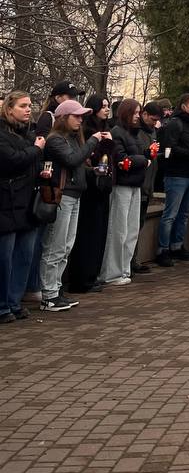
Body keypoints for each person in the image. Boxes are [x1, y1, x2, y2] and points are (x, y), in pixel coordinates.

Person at [39, 99, 98, 311]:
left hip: (75, 195)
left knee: (66, 246)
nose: (80, 120)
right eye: (77, 116)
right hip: (61, 196)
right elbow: (72, 160)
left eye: (82, 117)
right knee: (54, 246)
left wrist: (94, 171)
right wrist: (92, 142)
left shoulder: (73, 139)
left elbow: (77, 165)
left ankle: (57, 289)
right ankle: (49, 294)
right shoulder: (55, 140)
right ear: (64, 117)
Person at [0, 90, 45, 323]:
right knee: (4, 259)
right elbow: (12, 160)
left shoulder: (28, 134)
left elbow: (30, 162)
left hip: (27, 204)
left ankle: (14, 302)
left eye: (29, 105)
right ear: (9, 109)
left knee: (24, 257)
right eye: (22, 106)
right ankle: (2, 306)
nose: (28, 109)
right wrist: (36, 149)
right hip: (6, 203)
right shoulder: (2, 134)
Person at [99, 98, 150, 285]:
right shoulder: (117, 132)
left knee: (132, 230)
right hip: (122, 185)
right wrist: (143, 160)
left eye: (139, 113)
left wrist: (145, 157)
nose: (137, 116)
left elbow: (134, 158)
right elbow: (122, 160)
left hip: (135, 184)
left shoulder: (134, 133)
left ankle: (124, 268)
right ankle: (112, 272)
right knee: (118, 229)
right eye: (135, 113)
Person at [67, 94, 114, 294]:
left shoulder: (106, 129)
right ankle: (82, 277)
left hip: (103, 185)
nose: (106, 109)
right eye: (102, 106)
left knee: (99, 232)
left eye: (108, 106)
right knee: (87, 233)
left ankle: (93, 274)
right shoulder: (87, 132)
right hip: (89, 187)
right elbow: (88, 157)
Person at [155, 92, 189, 267]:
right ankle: (163, 249)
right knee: (171, 214)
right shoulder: (175, 124)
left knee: (184, 213)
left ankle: (177, 245)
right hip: (176, 174)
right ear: (183, 106)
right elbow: (170, 148)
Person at [130, 100, 163, 274]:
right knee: (133, 225)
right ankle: (130, 260)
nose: (154, 123)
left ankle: (133, 258)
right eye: (152, 119)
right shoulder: (137, 132)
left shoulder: (152, 131)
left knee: (139, 224)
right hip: (139, 183)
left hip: (148, 184)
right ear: (144, 114)